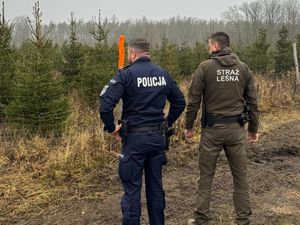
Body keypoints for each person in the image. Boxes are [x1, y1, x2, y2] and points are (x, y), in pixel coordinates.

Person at [99, 38, 186, 225]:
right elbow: (180, 102)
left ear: (132, 54)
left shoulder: (125, 75)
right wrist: (166, 123)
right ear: (147, 53)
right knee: (155, 187)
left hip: (134, 141)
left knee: (132, 189)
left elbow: (105, 105)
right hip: (157, 140)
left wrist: (112, 128)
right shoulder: (163, 74)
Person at [185, 32, 259, 225]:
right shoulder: (243, 68)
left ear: (216, 47)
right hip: (236, 130)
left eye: (210, 45)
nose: (209, 48)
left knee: (206, 176)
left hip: (212, 130)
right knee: (240, 176)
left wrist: (189, 126)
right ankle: (243, 219)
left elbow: (194, 100)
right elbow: (252, 101)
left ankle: (202, 218)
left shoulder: (205, 67)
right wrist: (253, 128)